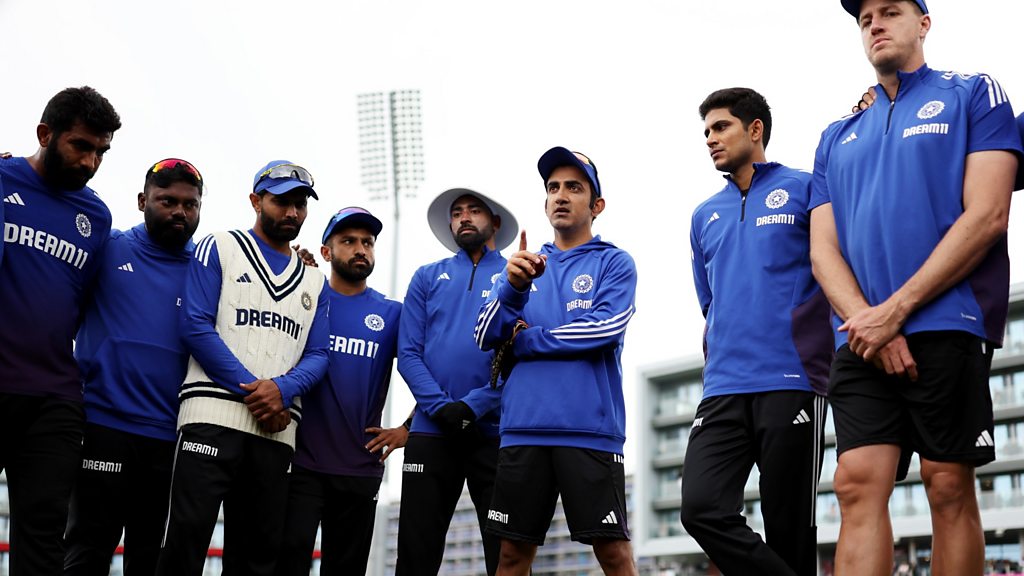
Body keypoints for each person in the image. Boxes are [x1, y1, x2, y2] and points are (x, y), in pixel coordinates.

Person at [809, 1, 1022, 574]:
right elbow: (822, 250)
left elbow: (988, 214)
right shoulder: (835, 135)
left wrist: (895, 311)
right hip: (860, 338)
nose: (875, 24)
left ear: (924, 23)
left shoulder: (973, 93)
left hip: (947, 321)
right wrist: (870, 322)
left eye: (890, 11)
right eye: (864, 19)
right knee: (854, 483)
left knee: (947, 484)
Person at [680, 88, 832, 576]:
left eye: (721, 126)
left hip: (792, 379)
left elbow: (834, 269)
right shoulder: (704, 215)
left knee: (789, 529)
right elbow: (710, 300)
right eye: (706, 131)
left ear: (755, 129)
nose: (710, 138)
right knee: (700, 508)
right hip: (722, 387)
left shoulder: (807, 188)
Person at [156, 160, 329, 576]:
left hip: (276, 431)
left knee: (256, 558)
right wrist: (258, 391)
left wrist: (282, 390)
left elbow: (319, 355)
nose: (292, 212)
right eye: (281, 201)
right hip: (211, 418)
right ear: (256, 200)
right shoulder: (219, 246)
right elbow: (195, 326)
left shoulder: (315, 281)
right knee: (184, 545)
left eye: (300, 204)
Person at [475, 147, 638, 575]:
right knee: (511, 557)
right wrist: (512, 290)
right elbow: (483, 334)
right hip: (522, 429)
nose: (561, 196)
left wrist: (528, 340)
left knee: (614, 554)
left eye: (574, 188)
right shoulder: (519, 268)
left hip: (589, 431)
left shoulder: (614, 262)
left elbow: (604, 328)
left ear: (597, 205)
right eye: (553, 188)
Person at [0, 86, 121, 575]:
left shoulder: (96, 216)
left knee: (43, 538)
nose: (91, 162)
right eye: (81, 146)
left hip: (55, 398)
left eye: (101, 152)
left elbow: (83, 302)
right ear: (45, 134)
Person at [64, 159, 204, 575]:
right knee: (86, 553)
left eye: (190, 204)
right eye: (167, 201)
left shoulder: (208, 271)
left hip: (171, 438)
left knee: (149, 561)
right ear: (143, 201)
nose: (179, 211)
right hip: (103, 427)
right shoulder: (107, 247)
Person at [395, 187, 518, 576]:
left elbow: (521, 361)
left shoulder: (517, 275)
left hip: (495, 433)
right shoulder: (427, 276)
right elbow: (408, 353)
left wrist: (473, 406)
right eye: (457, 212)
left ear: (494, 222)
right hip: (432, 432)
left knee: (507, 555)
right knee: (415, 554)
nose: (464, 217)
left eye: (474, 210)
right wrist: (442, 408)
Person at [275, 207, 405, 575]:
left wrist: (407, 428)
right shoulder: (306, 299)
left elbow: (430, 366)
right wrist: (294, 272)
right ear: (326, 252)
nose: (361, 249)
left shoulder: (392, 313)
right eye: (348, 241)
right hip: (300, 464)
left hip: (360, 468)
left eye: (368, 242)